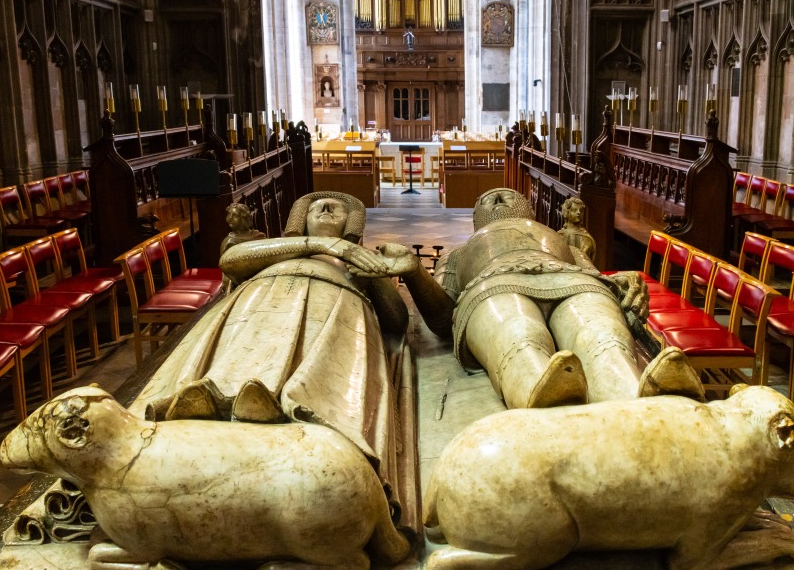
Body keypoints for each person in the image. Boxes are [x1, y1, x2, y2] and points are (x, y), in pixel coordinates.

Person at [132, 191, 416, 534]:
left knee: (323, 373)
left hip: (335, 306)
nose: (325, 208)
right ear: (301, 220)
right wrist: (325, 246)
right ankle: (219, 404)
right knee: (241, 352)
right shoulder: (274, 249)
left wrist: (378, 273)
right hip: (259, 302)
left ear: (351, 224)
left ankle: (302, 418)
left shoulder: (360, 261)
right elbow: (232, 259)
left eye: (336, 208)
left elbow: (397, 321)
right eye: (315, 207)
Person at [359, 188, 703, 409]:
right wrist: (415, 272)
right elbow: (441, 320)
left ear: (526, 207)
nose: (496, 199)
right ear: (477, 219)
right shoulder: (462, 250)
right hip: (493, 286)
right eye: (486, 199)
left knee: (602, 337)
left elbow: (592, 272)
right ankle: (541, 399)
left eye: (507, 195)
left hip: (573, 281)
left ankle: (638, 400)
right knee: (519, 336)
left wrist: (622, 282)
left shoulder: (555, 236)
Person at [219, 203, 266, 293]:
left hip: (260, 278)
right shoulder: (229, 242)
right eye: (229, 214)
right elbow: (226, 272)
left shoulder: (258, 236)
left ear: (244, 218)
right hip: (237, 284)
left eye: (235, 215)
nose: (230, 218)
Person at [558, 196, 596, 261]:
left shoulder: (587, 238)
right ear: (567, 213)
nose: (578, 212)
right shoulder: (559, 235)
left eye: (580, 210)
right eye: (574, 210)